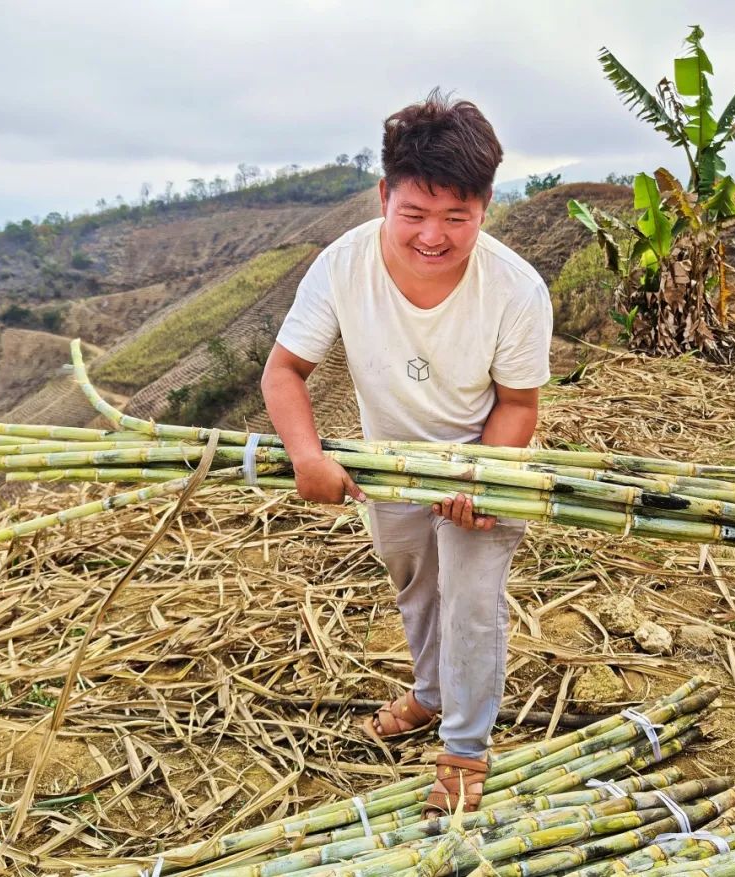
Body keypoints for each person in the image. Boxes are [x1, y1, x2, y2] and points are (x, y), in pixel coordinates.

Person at [260, 88, 552, 814]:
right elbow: (284, 371)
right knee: (415, 581)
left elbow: (518, 405)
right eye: (415, 213)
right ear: (383, 194)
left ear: (486, 205)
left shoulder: (516, 289)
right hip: (388, 462)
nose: (434, 235)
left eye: (458, 217)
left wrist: (482, 479)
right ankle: (429, 692)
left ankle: (465, 745)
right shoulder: (342, 265)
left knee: (471, 601)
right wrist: (307, 456)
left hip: (483, 462)